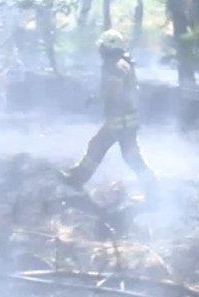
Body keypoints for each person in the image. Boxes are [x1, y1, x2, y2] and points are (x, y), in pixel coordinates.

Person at [62, 30, 158, 195]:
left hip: (119, 120)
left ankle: (77, 179)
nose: (100, 51)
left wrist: (98, 99)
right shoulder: (123, 63)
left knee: (100, 146)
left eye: (102, 47)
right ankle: (152, 187)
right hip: (126, 119)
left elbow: (113, 92)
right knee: (128, 156)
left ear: (109, 48)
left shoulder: (113, 66)